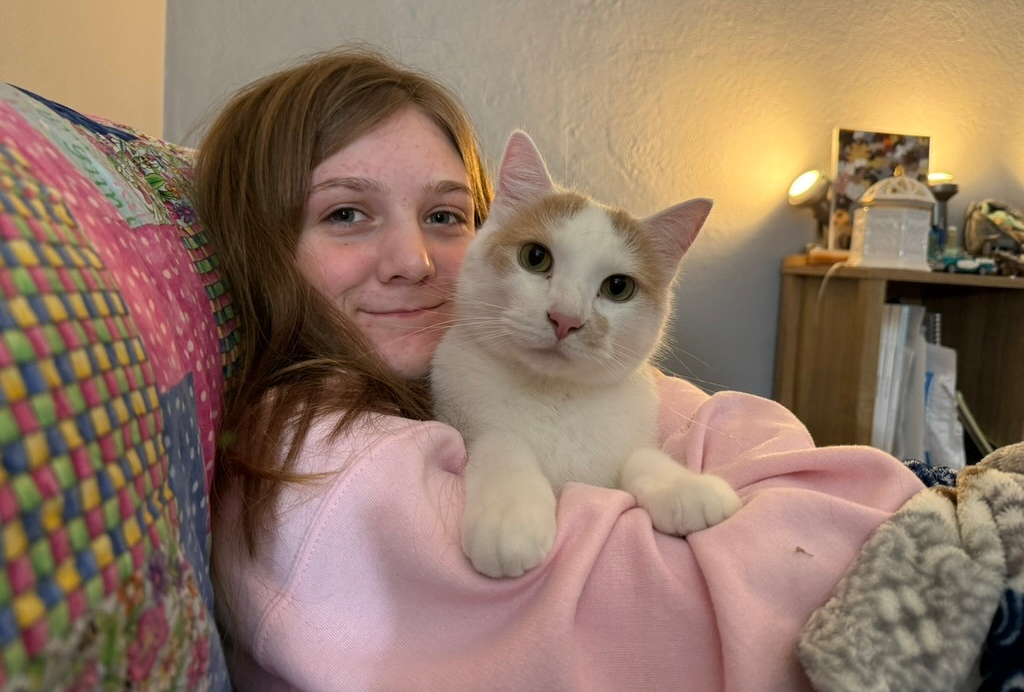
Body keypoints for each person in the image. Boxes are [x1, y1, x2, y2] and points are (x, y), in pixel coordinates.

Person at [194, 45, 925, 691]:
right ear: (258, 244)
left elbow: (739, 436)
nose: (416, 264)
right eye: (347, 214)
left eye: (447, 216)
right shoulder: (318, 472)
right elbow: (754, 600)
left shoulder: (457, 372)